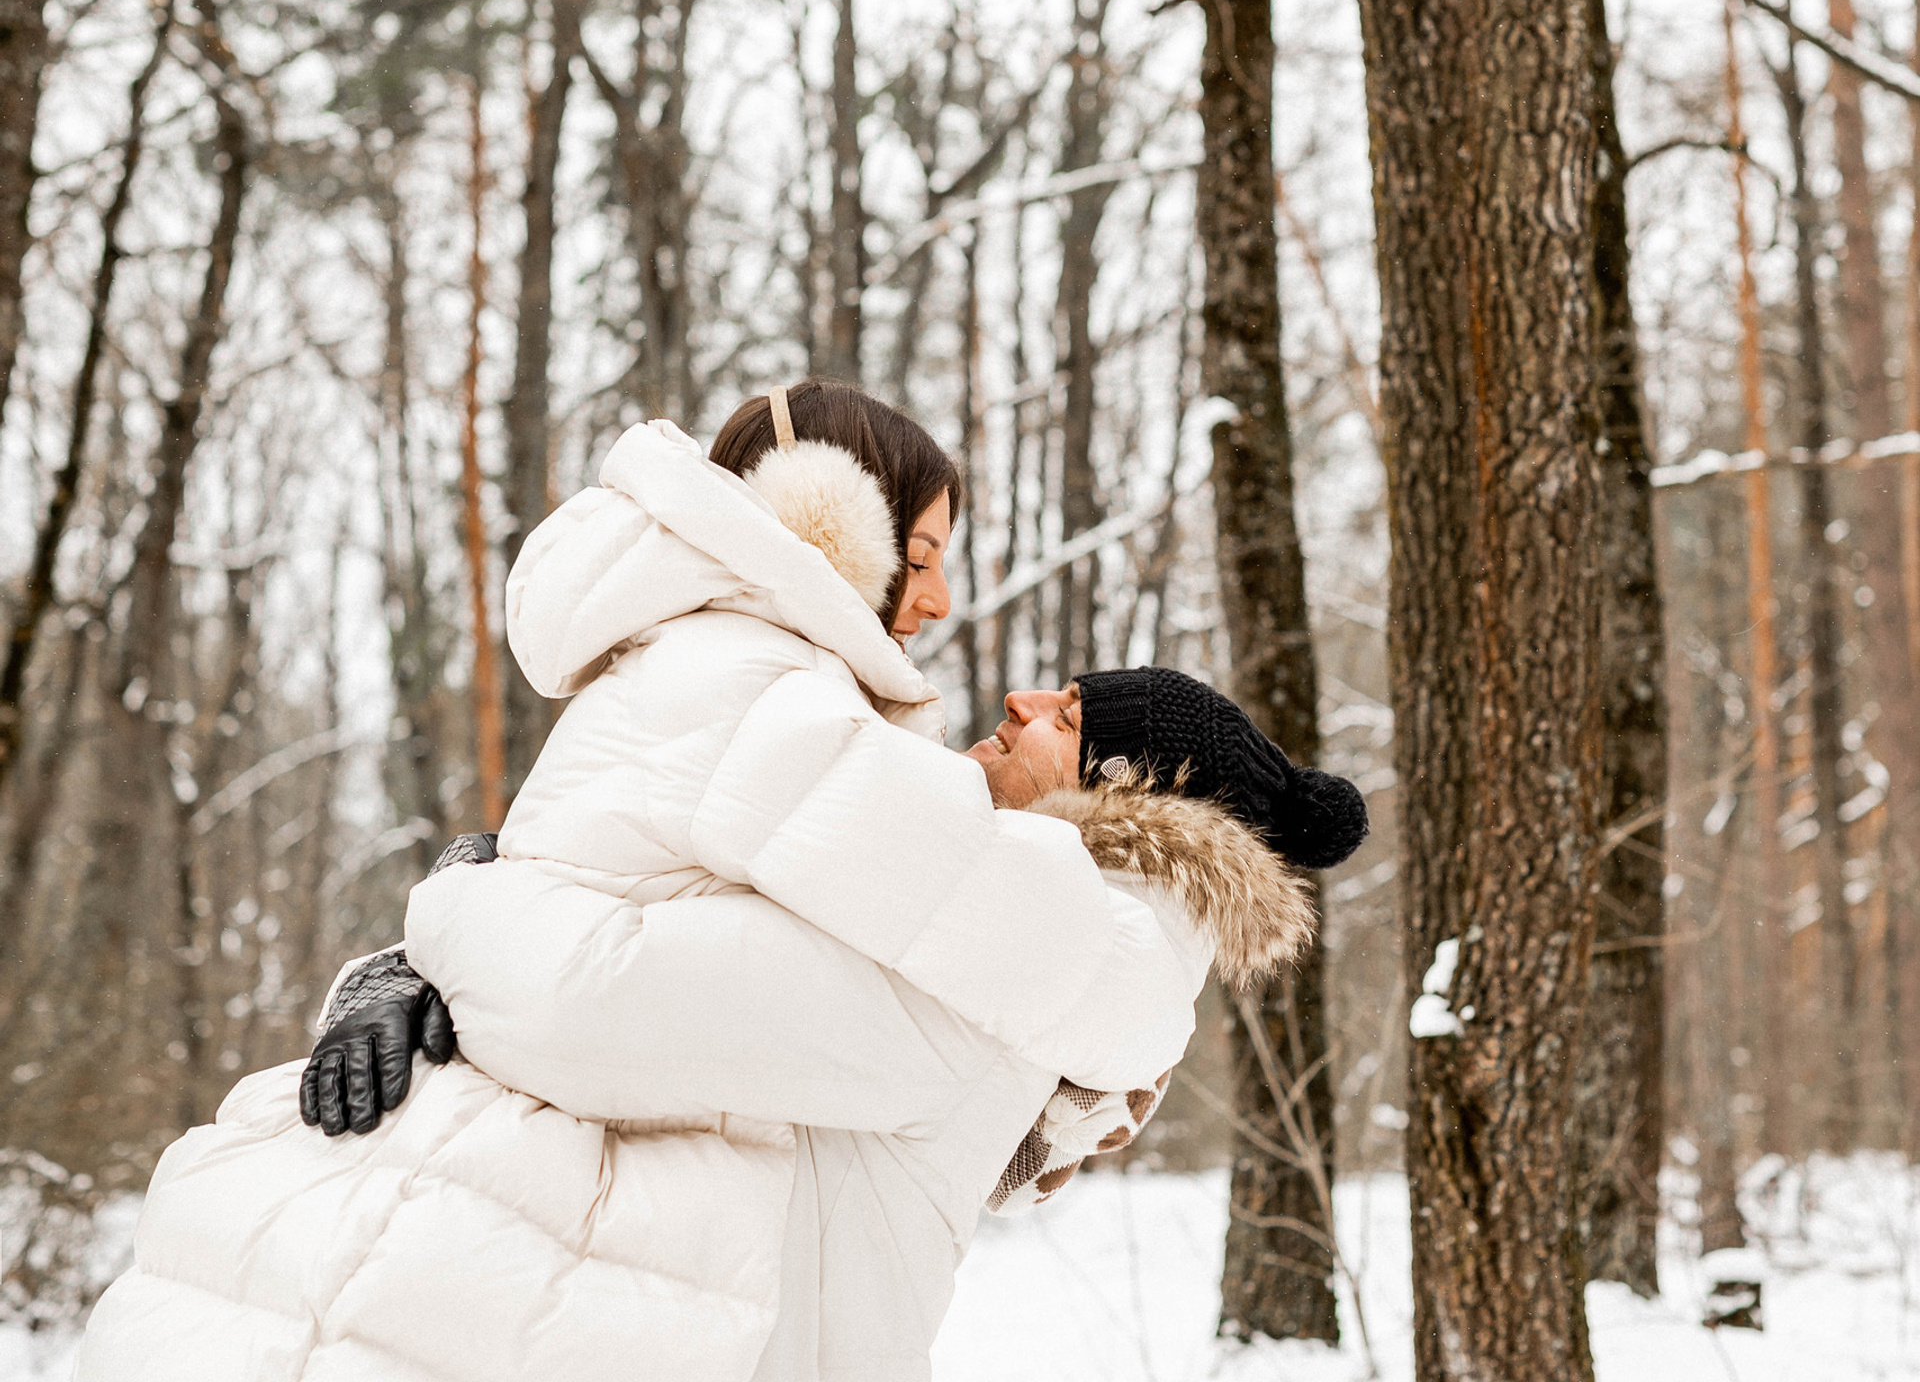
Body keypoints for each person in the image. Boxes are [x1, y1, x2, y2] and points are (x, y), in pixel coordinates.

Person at [77, 382, 1364, 1382]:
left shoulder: (987, 938)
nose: (949, 614)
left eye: (1069, 711)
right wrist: (437, 954)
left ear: (1129, 793)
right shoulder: (782, 710)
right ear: (827, 528)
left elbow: (608, 996)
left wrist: (451, 916)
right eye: (915, 553)